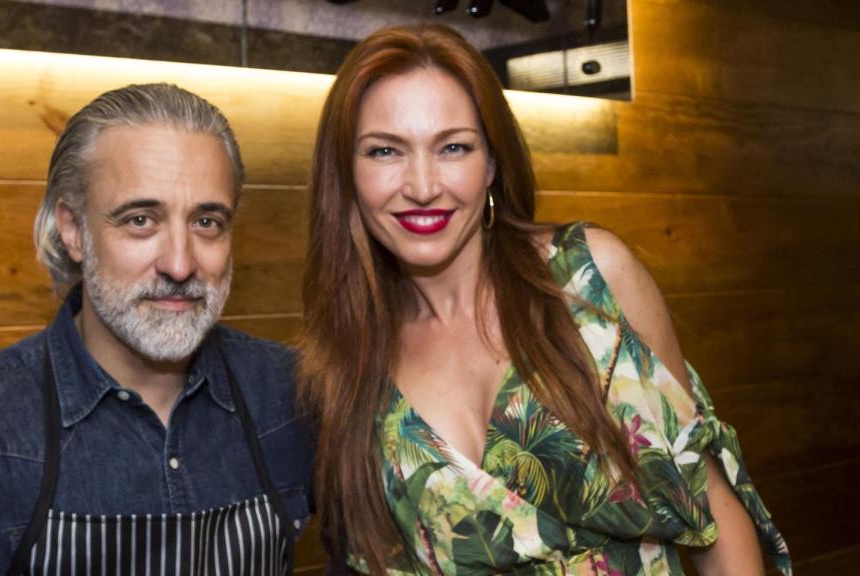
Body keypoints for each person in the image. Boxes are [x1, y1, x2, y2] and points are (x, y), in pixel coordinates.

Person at [299, 24, 791, 576]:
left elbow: (714, 519)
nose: (421, 185)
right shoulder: (344, 364)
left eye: (453, 147)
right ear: (348, 173)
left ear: (491, 164)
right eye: (386, 150)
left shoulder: (587, 280)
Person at [0, 83, 312, 575]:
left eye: (206, 222)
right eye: (140, 220)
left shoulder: (294, 393)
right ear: (73, 230)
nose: (179, 264)